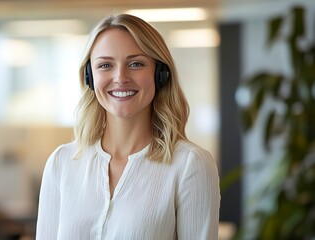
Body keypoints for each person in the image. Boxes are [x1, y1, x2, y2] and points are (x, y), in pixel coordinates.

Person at [36, 13, 220, 240]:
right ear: (89, 78)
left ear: (160, 74)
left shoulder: (190, 164)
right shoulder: (61, 162)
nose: (120, 77)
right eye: (105, 65)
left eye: (136, 64)